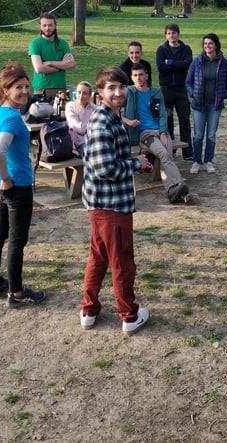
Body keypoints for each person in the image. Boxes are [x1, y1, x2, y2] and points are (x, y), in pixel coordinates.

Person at [80, 67, 153, 335]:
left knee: (98, 257)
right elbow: (105, 168)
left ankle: (89, 310)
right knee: (122, 262)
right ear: (100, 93)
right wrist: (136, 163)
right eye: (111, 88)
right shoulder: (101, 122)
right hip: (110, 206)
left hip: (104, 204)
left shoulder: (111, 117)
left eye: (121, 87)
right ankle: (129, 316)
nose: (118, 92)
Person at [0, 63, 45, 308]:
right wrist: (3, 176)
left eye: (27, 86)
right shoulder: (13, 118)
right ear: (5, 90)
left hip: (0, 185)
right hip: (16, 186)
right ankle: (16, 293)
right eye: (18, 87)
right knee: (17, 239)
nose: (25, 91)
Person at [123, 63, 189, 203]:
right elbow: (114, 110)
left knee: (168, 154)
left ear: (146, 76)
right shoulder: (129, 92)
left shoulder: (156, 92)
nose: (139, 78)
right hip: (145, 133)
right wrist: (128, 121)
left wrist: (164, 132)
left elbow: (163, 114)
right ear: (131, 78)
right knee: (164, 154)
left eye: (141, 75)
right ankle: (177, 184)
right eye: (135, 75)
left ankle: (172, 190)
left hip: (160, 131)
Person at [185, 33, 227, 174]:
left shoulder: (224, 63)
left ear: (216, 45)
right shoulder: (197, 61)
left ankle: (208, 161)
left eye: (210, 43)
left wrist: (222, 96)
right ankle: (196, 161)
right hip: (199, 104)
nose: (207, 46)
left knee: (211, 135)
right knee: (198, 134)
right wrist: (193, 93)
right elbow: (188, 82)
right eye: (205, 44)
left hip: (215, 105)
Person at [155, 23, 193, 160]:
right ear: (166, 35)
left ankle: (188, 153)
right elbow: (161, 67)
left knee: (184, 120)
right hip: (166, 89)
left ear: (178, 34)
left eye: (174, 33)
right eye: (169, 33)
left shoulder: (186, 49)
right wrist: (179, 64)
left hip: (181, 89)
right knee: (168, 120)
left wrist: (170, 62)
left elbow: (188, 64)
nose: (172, 36)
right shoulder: (161, 49)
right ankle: (171, 149)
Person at [28, 12, 75, 98]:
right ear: (40, 26)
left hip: (61, 88)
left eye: (50, 25)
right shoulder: (35, 44)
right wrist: (62, 66)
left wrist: (50, 63)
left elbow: (71, 64)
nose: (47, 28)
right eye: (44, 25)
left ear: (55, 25)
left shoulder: (63, 43)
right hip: (42, 89)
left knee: (61, 111)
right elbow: (39, 68)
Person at [65, 81, 97, 158]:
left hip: (94, 140)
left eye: (85, 93)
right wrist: (95, 128)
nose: (81, 95)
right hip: (78, 142)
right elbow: (77, 126)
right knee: (92, 155)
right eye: (79, 92)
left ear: (90, 96)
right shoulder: (70, 106)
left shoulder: (95, 108)